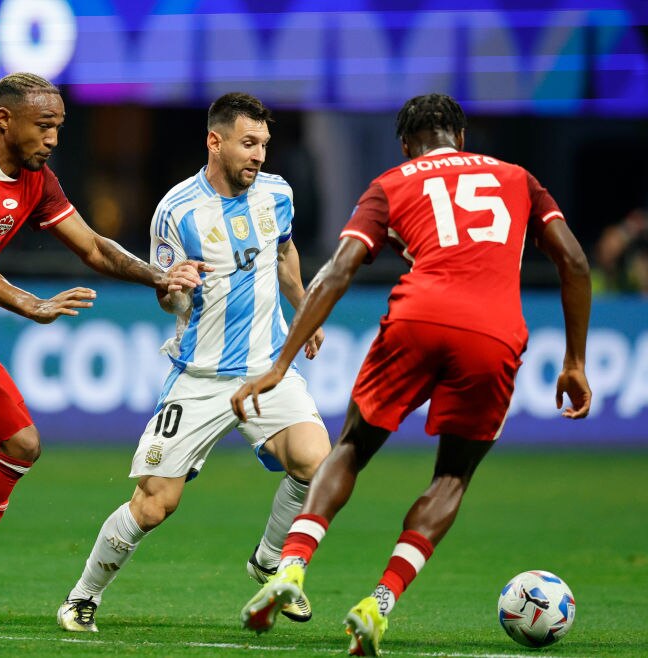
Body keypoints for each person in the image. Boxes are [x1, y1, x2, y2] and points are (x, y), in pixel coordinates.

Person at [234, 93, 592, 656]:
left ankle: (292, 567)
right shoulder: (519, 179)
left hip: (418, 317)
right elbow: (574, 262)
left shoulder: (392, 183)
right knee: (451, 476)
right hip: (495, 333)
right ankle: (379, 603)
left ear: (406, 145)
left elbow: (337, 272)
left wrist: (281, 364)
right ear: (462, 138)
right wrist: (574, 361)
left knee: (351, 448)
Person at [0, 72, 206, 632]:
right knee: (19, 441)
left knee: (11, 443)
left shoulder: (36, 179)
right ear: (5, 120)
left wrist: (159, 277)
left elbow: (93, 246)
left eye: (59, 127)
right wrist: (31, 303)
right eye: (44, 125)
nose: (53, 138)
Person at [55, 92, 332, 633]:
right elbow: (168, 296)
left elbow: (284, 252)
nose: (259, 155)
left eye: (264, 144)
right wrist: (172, 286)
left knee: (316, 463)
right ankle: (83, 596)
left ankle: (270, 560)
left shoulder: (277, 193)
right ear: (215, 141)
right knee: (155, 504)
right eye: (248, 144)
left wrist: (303, 306)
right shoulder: (177, 210)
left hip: (266, 370)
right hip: (200, 377)